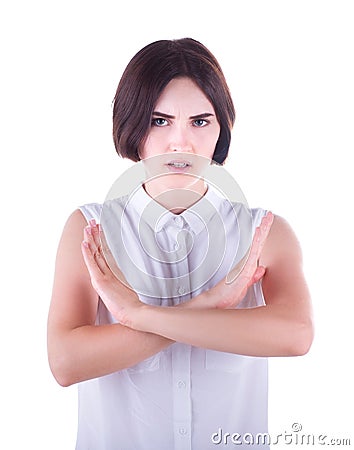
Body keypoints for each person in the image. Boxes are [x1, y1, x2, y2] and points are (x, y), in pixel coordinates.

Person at [47, 38, 314, 450]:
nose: (181, 143)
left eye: (200, 122)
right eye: (160, 120)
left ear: (221, 129)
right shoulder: (91, 229)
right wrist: (206, 307)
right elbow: (65, 361)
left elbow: (295, 335)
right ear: (133, 125)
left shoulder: (264, 231)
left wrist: (137, 314)